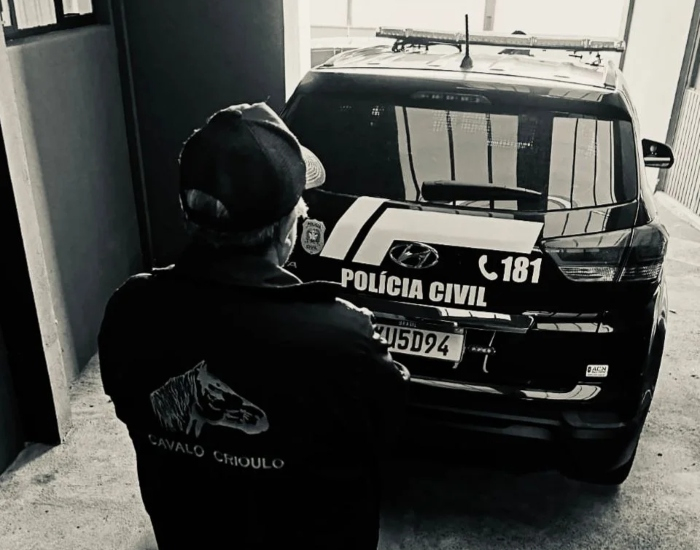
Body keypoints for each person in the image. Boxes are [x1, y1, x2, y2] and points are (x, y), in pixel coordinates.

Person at [98, 102, 410, 549]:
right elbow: (389, 435)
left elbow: (129, 406)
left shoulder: (130, 310)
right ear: (288, 229)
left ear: (187, 214)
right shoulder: (345, 338)